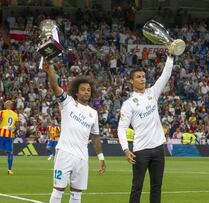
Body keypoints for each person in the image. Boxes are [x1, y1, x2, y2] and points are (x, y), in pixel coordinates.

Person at [117, 47, 174, 203]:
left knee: (157, 186)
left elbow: (166, 75)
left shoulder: (152, 93)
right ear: (131, 80)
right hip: (141, 150)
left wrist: (170, 56)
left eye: (143, 76)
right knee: (137, 187)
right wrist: (125, 149)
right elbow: (121, 128)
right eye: (138, 77)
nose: (142, 79)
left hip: (158, 148)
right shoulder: (128, 104)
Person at [43, 63, 106, 203]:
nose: (86, 92)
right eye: (83, 89)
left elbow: (95, 137)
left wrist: (101, 157)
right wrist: (51, 70)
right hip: (65, 153)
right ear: (76, 92)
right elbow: (54, 85)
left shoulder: (93, 113)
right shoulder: (67, 102)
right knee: (58, 190)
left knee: (77, 194)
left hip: (82, 157)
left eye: (88, 90)